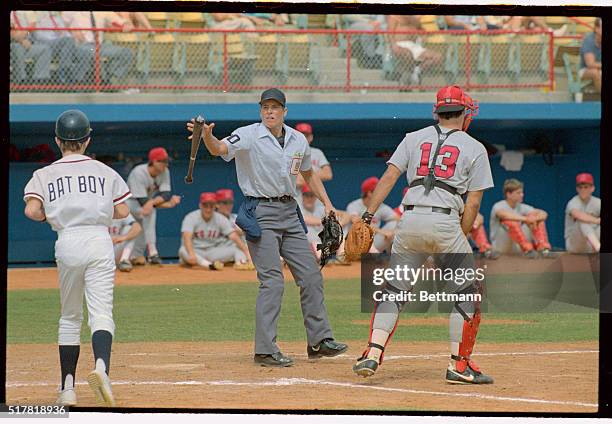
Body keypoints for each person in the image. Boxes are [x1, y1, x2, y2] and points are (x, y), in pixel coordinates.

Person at [186, 88, 347, 367]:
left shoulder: (298, 139)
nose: (270, 112)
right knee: (272, 281)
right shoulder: (249, 134)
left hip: (289, 211)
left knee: (311, 276)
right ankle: (264, 349)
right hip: (260, 211)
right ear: (260, 111)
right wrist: (208, 136)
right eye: (265, 107)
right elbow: (219, 150)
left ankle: (319, 341)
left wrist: (328, 203)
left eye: (275, 107)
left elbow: (308, 172)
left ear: (285, 111)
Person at [352, 85, 495, 385]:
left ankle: (373, 352)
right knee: (468, 292)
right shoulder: (475, 147)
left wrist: (367, 216)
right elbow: (474, 202)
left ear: (437, 111)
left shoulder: (413, 137)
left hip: (410, 219)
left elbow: (390, 177)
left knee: (394, 290)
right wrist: (458, 237)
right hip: (445, 220)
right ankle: (459, 365)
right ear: (465, 113)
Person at [23, 109, 131, 406]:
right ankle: (101, 368)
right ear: (87, 140)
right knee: (101, 313)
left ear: (58, 140)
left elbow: (32, 211)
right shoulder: (105, 171)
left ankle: (67, 388)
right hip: (99, 238)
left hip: (67, 240)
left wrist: (53, 215)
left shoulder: (44, 174)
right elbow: (123, 211)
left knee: (70, 316)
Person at [125, 147, 181, 265]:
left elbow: (166, 194)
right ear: (154, 161)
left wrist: (155, 203)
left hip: (146, 204)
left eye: (166, 161)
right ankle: (152, 253)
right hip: (129, 204)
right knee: (143, 219)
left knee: (143, 227)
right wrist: (165, 204)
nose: (166, 164)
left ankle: (137, 256)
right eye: (163, 161)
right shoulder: (139, 172)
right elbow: (142, 201)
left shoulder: (165, 172)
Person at [179, 192, 252, 270]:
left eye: (211, 206)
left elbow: (233, 236)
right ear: (200, 205)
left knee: (236, 249)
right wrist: (191, 253)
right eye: (205, 205)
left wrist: (247, 252)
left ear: (215, 206)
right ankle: (209, 265)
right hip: (196, 251)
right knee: (183, 250)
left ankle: (241, 263)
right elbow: (187, 237)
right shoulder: (191, 217)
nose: (208, 209)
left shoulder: (220, 218)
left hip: (213, 251)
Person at [61, 11, 134, 84]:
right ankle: (79, 81)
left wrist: (127, 23)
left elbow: (120, 21)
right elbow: (61, 24)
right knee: (92, 52)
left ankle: (111, 76)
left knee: (127, 52)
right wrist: (71, 30)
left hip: (99, 46)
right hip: (82, 45)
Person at [489, 178, 555, 258]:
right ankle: (527, 248)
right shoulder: (499, 205)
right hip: (501, 247)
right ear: (508, 194)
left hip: (517, 248)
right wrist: (526, 219)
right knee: (510, 221)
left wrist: (533, 219)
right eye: (518, 193)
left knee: (536, 219)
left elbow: (544, 214)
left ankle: (544, 249)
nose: (522, 195)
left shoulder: (522, 206)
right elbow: (504, 215)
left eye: (522, 192)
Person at [346, 176, 399, 254]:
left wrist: (392, 232)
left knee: (395, 225)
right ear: (369, 193)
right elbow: (357, 223)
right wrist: (382, 231)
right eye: (378, 190)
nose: (382, 193)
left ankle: (389, 257)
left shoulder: (380, 206)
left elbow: (398, 219)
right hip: (357, 244)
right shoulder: (354, 205)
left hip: (373, 242)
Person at [386, 15, 443, 87]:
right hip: (399, 44)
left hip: (414, 46)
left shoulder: (415, 19)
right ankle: (409, 79)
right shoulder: (394, 17)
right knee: (408, 54)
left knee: (438, 57)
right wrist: (393, 45)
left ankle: (417, 72)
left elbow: (422, 31)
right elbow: (390, 33)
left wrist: (423, 37)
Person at [295, 122, 333, 206]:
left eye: (306, 136)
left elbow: (328, 174)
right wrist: (314, 174)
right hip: (295, 197)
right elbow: (296, 180)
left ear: (311, 137)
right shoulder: (289, 152)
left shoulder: (317, 152)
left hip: (315, 196)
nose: (304, 138)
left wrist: (305, 175)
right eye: (301, 135)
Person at [10, 11, 51, 84]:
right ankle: (21, 81)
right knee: (17, 47)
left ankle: (40, 80)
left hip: (26, 41)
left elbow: (32, 27)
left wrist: (25, 34)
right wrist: (21, 40)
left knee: (45, 49)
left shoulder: (25, 12)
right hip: (14, 43)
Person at [565, 173, 600, 253]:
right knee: (582, 222)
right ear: (577, 189)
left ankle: (597, 247)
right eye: (580, 187)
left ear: (592, 188)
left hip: (590, 245)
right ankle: (598, 247)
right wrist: (597, 220)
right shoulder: (573, 202)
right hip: (574, 244)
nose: (583, 190)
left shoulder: (597, 202)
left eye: (586, 187)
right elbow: (578, 215)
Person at [579, 17, 602, 94]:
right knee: (595, 72)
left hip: (599, 69)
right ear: (596, 29)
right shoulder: (589, 40)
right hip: (585, 70)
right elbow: (590, 64)